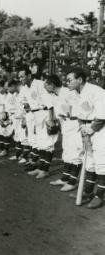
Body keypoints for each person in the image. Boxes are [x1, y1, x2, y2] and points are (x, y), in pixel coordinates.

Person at [67, 67, 105, 209]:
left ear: (80, 80)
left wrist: (91, 129)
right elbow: (79, 116)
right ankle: (88, 191)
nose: (67, 83)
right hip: (86, 129)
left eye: (70, 80)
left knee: (101, 163)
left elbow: (102, 116)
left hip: (100, 129)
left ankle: (99, 196)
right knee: (89, 162)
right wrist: (84, 133)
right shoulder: (75, 94)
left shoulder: (97, 91)